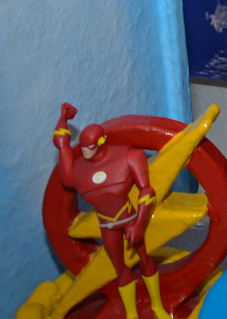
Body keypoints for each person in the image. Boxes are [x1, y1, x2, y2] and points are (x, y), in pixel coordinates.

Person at [52, 103, 169, 319]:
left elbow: (147, 190)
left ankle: (157, 307)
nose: (84, 150)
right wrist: (63, 120)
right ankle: (131, 314)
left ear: (101, 142)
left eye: (89, 146)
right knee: (120, 268)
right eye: (83, 147)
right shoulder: (77, 169)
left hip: (130, 217)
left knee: (144, 259)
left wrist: (139, 223)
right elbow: (61, 145)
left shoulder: (129, 156)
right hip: (107, 225)